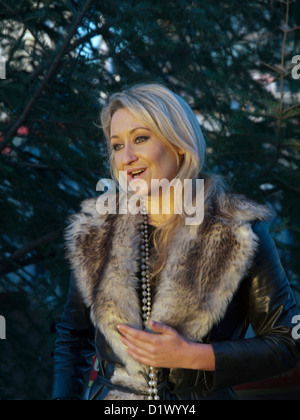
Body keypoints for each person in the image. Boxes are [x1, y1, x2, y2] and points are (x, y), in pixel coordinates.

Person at [52, 83, 300, 400]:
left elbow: (288, 341)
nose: (125, 158)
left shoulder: (238, 231)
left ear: (178, 145)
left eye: (140, 139)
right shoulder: (98, 235)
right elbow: (73, 337)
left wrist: (191, 356)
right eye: (116, 146)